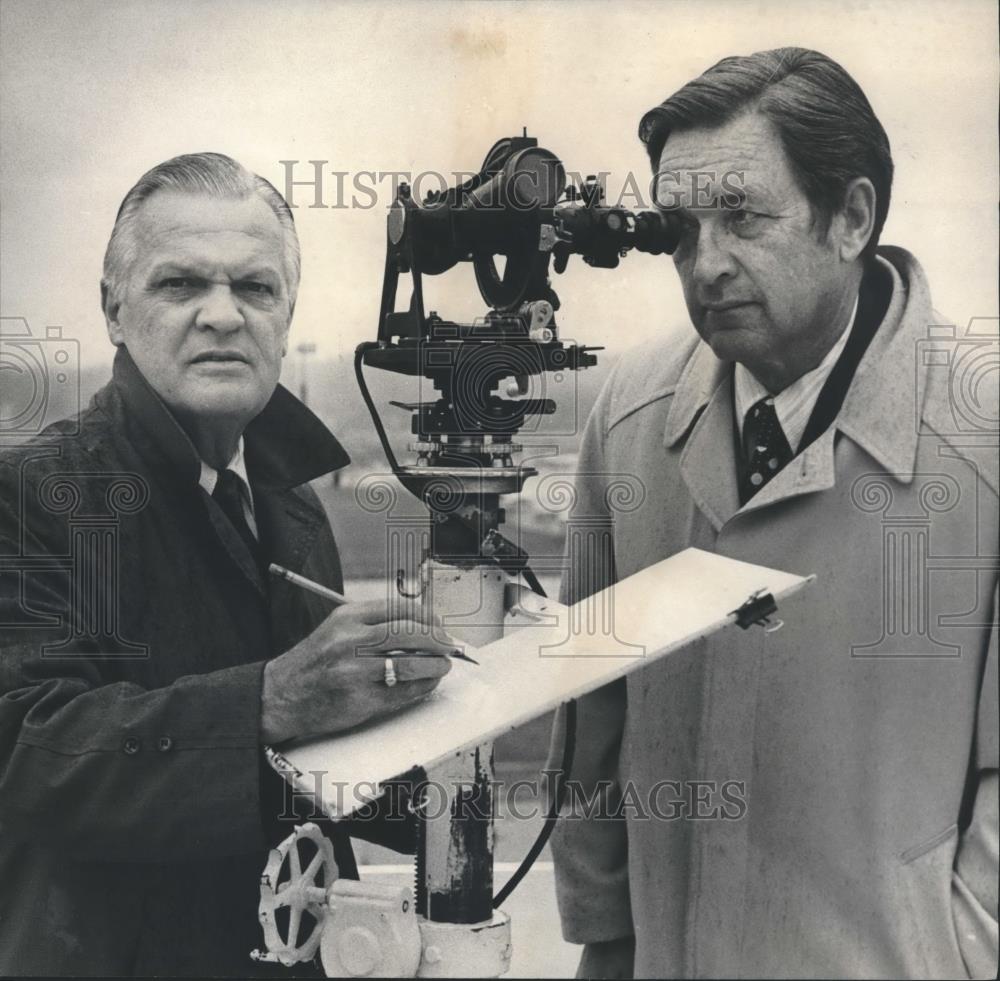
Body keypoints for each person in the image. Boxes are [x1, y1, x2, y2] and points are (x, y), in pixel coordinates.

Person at [548, 48, 998, 979]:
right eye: (679, 228)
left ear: (853, 217)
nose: (705, 265)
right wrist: (607, 941)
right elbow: (591, 717)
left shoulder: (985, 439)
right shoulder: (627, 414)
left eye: (743, 218)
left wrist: (955, 957)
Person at [0, 153, 457, 976]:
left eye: (255, 288)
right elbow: (27, 752)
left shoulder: (293, 503)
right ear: (113, 308)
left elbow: (313, 766)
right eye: (180, 285)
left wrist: (450, 738)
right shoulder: (30, 492)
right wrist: (271, 698)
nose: (222, 315)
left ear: (287, 314)